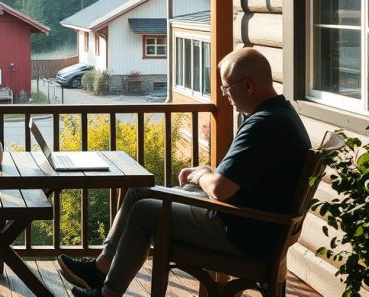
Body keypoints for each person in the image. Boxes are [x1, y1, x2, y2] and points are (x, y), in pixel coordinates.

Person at [61, 47, 311, 297]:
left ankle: (107, 294)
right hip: (254, 225)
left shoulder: (262, 125)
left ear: (248, 86)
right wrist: (205, 172)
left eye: (226, 88)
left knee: (144, 211)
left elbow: (219, 189)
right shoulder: (282, 115)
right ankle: (99, 268)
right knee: (139, 193)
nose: (225, 96)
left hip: (241, 233)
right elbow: (237, 180)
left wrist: (200, 175)